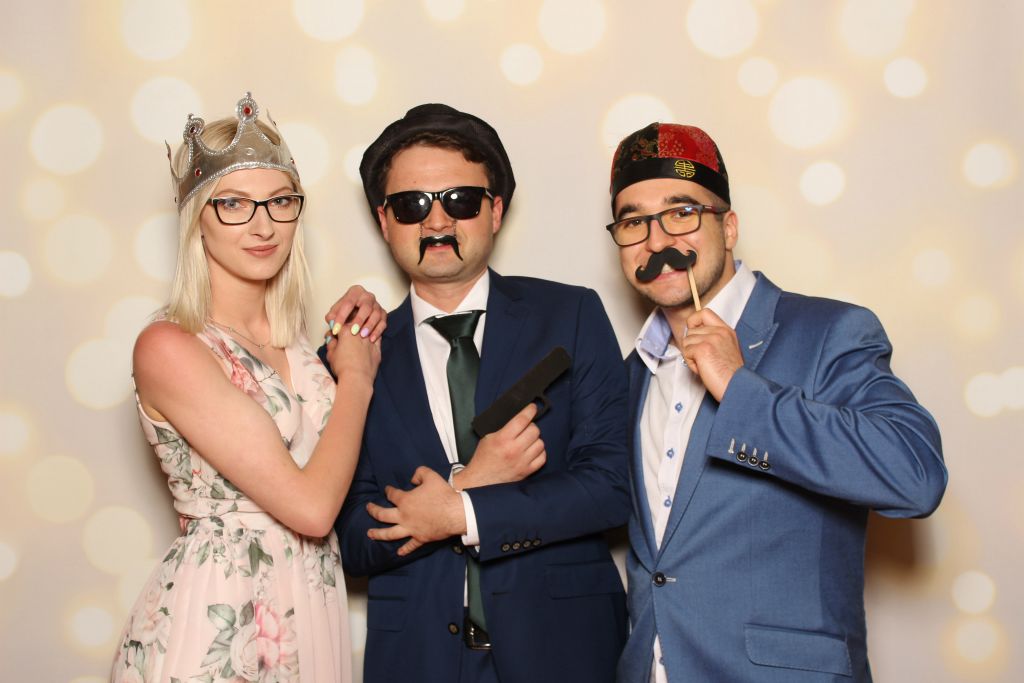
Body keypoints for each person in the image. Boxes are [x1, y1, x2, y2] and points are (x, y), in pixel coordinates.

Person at [605, 122, 947, 682]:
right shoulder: (628, 374)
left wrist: (738, 386)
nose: (658, 240)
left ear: (729, 227)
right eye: (633, 221)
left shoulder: (830, 332)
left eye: (681, 212)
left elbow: (915, 477)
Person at [327, 104, 629, 683]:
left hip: (565, 651)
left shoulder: (570, 315)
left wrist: (459, 512)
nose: (437, 221)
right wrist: (471, 484)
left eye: (460, 200)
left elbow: (613, 487)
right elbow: (350, 541)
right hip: (418, 661)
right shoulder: (352, 356)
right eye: (412, 205)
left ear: (495, 210)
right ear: (384, 221)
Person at [110, 93, 385, 682]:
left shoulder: (299, 348)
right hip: (219, 620)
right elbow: (312, 509)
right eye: (233, 204)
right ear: (197, 219)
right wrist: (357, 378)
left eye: (280, 201)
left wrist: (360, 328)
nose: (263, 225)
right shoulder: (169, 346)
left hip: (310, 604)